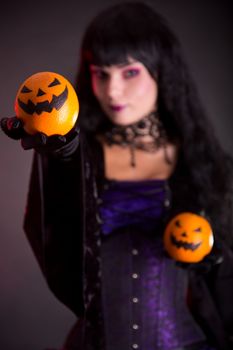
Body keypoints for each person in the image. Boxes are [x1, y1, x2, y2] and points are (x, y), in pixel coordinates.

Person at [1, 2, 233, 350]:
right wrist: (59, 159)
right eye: (101, 72)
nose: (112, 90)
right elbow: (56, 251)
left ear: (161, 71)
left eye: (129, 72)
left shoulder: (199, 160)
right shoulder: (77, 153)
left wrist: (214, 257)